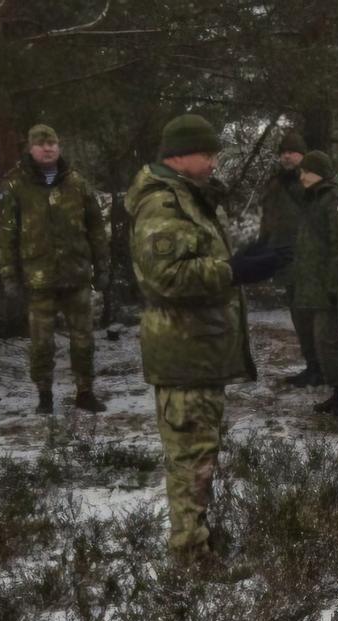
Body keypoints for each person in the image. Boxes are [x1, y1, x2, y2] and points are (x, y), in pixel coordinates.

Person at [126, 114, 287, 559]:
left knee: (199, 453)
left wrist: (242, 259)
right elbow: (166, 278)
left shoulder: (187, 198)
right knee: (190, 459)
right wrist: (234, 271)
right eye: (207, 153)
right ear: (178, 155)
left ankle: (196, 540)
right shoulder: (163, 204)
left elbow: (194, 258)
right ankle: (191, 556)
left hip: (196, 348)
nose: (215, 161)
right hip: (184, 353)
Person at [0, 123, 109, 415]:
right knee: (41, 343)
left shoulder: (77, 184)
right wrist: (9, 276)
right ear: (30, 149)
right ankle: (44, 395)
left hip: (76, 276)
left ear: (59, 146)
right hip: (39, 279)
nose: (47, 148)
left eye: (52, 143)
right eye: (41, 144)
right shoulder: (16, 186)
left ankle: (85, 391)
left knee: (83, 339)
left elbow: (96, 228)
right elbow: (6, 234)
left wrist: (103, 267)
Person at [294, 151, 338, 415]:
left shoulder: (335, 199)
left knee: (328, 340)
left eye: (307, 171)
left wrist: (333, 285)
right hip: (313, 285)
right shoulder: (315, 197)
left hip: (327, 287)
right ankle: (337, 391)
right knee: (321, 340)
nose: (302, 176)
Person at [261, 130, 317, 386]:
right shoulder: (275, 182)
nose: (286, 156)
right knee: (298, 314)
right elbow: (268, 216)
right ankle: (312, 365)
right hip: (282, 255)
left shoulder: (308, 181)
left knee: (309, 316)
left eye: (291, 152)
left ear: (302, 155)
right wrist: (263, 245)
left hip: (304, 258)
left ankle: (320, 367)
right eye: (283, 152)